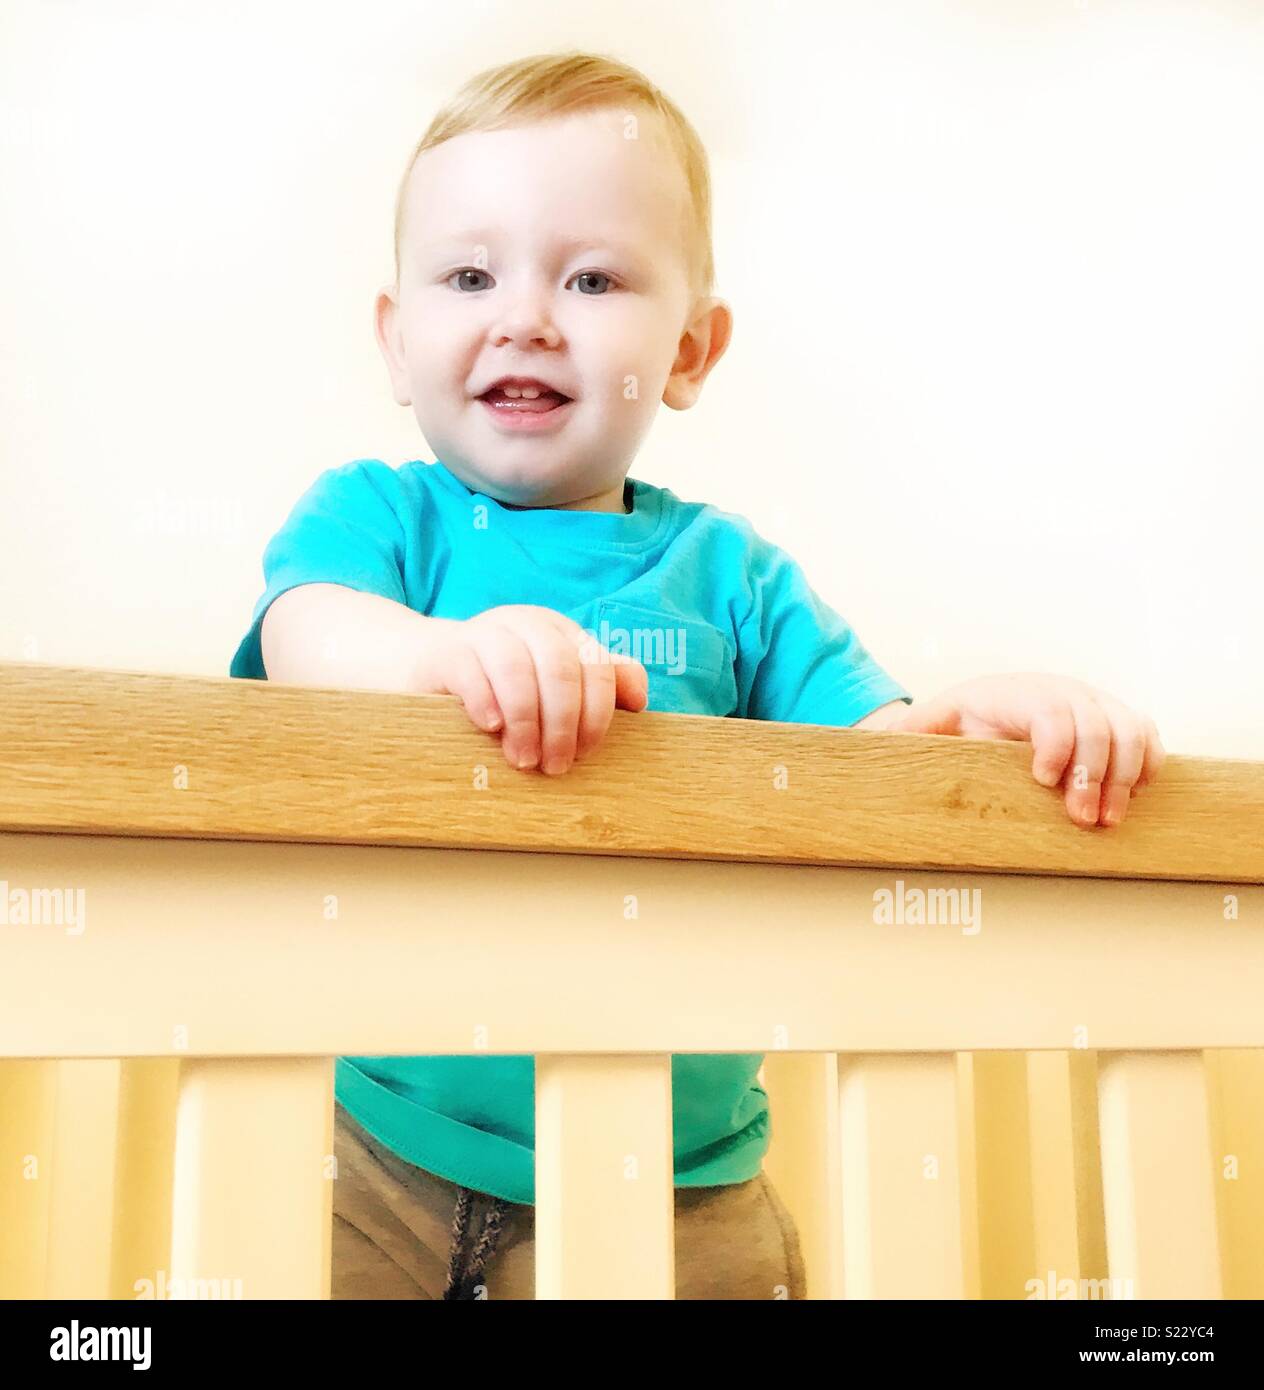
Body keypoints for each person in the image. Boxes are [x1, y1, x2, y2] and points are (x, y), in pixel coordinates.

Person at [231, 50, 1165, 1300]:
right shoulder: (378, 524)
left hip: (681, 1188)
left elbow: (872, 765)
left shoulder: (730, 577)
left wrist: (983, 722)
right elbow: (303, 635)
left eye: (591, 278)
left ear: (687, 351)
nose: (524, 317)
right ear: (398, 343)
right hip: (383, 1157)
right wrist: (444, 656)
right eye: (469, 276)